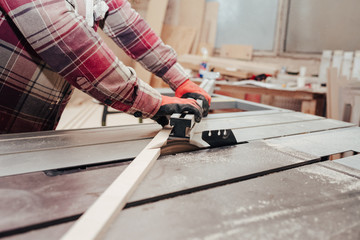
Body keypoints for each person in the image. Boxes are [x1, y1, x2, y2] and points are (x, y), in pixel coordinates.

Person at [0, 0, 211, 134]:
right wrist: (150, 101)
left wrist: (181, 80)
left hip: (28, 129)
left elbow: (127, 25)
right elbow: (67, 41)